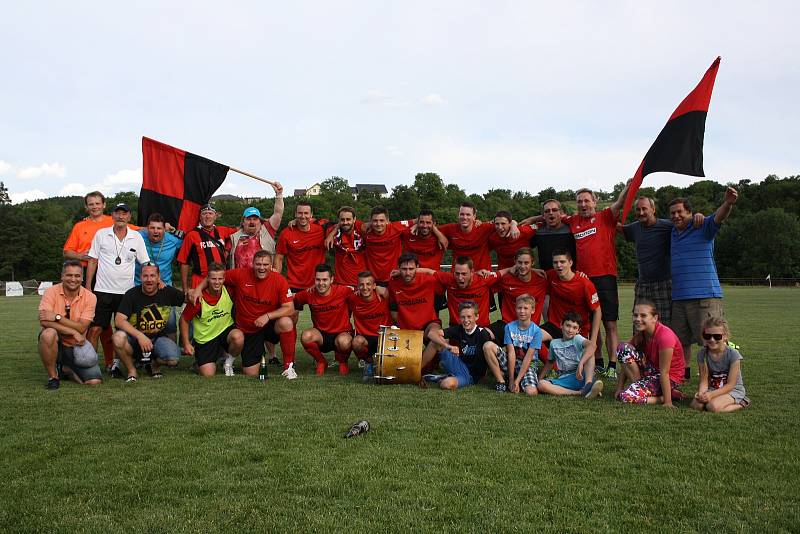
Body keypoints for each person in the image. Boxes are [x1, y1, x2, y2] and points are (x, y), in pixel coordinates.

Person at [192, 251, 297, 378]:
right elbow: (216, 276)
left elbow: (289, 308)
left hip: (267, 325)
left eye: (265, 264)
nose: (262, 268)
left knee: (286, 322)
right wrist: (198, 289)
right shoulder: (240, 274)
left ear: (271, 265)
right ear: (252, 264)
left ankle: (288, 367)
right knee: (251, 373)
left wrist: (267, 316)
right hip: (248, 330)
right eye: (258, 264)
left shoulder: (279, 280)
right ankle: (240, 359)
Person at [561, 183, 631, 378]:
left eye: (586, 200)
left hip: (605, 277)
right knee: (591, 324)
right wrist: (516, 223)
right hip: (585, 280)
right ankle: (598, 360)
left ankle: (612, 365)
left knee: (609, 323)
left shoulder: (605, 217)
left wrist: (628, 187)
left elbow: (620, 202)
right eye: (579, 201)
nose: (583, 204)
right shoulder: (572, 221)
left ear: (594, 202)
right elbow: (548, 217)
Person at [670, 188, 738, 379]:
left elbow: (718, 217)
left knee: (712, 340)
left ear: (689, 213)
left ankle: (718, 378)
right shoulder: (672, 232)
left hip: (705, 297)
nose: (676, 216)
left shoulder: (702, 226)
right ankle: (682, 376)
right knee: (680, 341)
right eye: (673, 213)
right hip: (679, 298)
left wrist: (728, 203)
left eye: (680, 212)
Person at [85, 203, 150, 377]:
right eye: (118, 213)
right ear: (112, 215)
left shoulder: (136, 237)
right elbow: (92, 261)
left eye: (124, 214)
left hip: (126, 293)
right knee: (95, 330)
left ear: (129, 217)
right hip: (102, 290)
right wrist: (88, 286)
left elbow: (144, 262)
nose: (121, 216)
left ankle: (115, 364)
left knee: (121, 331)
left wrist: (153, 280)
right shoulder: (101, 234)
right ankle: (90, 365)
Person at [112, 263, 185, 381]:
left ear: (158, 277)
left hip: (156, 340)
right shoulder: (131, 294)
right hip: (133, 340)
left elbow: (188, 298)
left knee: (173, 359)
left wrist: (199, 289)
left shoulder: (167, 292)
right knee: (118, 337)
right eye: (145, 276)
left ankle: (152, 365)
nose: (149, 279)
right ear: (140, 277)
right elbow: (119, 320)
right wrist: (140, 336)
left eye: (152, 276)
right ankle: (131, 370)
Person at [38, 260, 102, 389]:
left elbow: (82, 327)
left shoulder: (90, 297)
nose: (73, 279)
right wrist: (73, 331)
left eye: (77, 276)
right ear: (62, 276)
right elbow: (44, 321)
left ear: (82, 278)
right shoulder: (50, 292)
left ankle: (66, 368)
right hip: (57, 342)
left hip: (76, 345)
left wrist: (56, 317)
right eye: (69, 275)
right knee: (48, 334)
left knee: (94, 382)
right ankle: (53, 377)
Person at [179, 263, 244, 377]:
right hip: (206, 338)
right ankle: (199, 363)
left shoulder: (228, 290)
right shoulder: (198, 299)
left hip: (225, 331)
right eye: (213, 279)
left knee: (238, 337)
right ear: (207, 279)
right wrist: (186, 343)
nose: (217, 282)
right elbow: (183, 319)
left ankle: (228, 362)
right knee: (208, 374)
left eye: (220, 279)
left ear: (224, 279)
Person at [615, 301, 685, 407]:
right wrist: (619, 388)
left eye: (643, 315)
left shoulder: (665, 336)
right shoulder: (642, 334)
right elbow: (625, 360)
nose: (638, 319)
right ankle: (639, 385)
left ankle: (665, 397)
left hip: (670, 377)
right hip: (653, 371)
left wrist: (667, 402)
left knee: (626, 397)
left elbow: (664, 372)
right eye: (635, 315)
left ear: (655, 318)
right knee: (622, 348)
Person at [293, 264, 354, 376]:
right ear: (314, 280)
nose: (321, 283)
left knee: (344, 342)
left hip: (342, 333)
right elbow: (292, 299)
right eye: (318, 280)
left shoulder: (343, 291)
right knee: (306, 336)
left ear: (331, 279)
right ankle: (321, 361)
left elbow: (363, 292)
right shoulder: (308, 294)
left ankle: (343, 362)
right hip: (321, 335)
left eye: (325, 280)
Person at [622, 197, 675, 325]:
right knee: (639, 324)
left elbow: (685, 223)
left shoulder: (667, 226)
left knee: (664, 324)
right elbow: (618, 227)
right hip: (643, 285)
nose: (641, 213)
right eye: (638, 209)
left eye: (644, 209)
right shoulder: (634, 228)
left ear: (653, 209)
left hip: (663, 284)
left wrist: (698, 216)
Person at [540, 249, 601, 351]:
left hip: (576, 330)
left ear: (570, 263)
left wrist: (593, 341)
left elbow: (597, 311)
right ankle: (549, 364)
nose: (559, 265)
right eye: (555, 262)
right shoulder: (551, 276)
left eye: (562, 262)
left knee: (585, 364)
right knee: (532, 337)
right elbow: (530, 272)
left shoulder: (585, 284)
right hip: (555, 326)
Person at [484, 294, 546, 395]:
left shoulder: (536, 331)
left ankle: (519, 380)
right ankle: (502, 381)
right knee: (488, 345)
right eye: (519, 308)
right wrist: (512, 380)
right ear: (515, 309)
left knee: (531, 392)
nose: (522, 311)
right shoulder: (509, 327)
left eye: (526, 308)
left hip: (528, 365)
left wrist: (517, 381)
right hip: (512, 362)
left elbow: (528, 358)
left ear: (533, 310)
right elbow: (511, 352)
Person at [424, 301, 492, 390]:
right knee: (436, 341)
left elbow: (489, 354)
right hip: (460, 364)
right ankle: (418, 372)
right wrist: (448, 346)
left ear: (476, 317)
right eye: (463, 317)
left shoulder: (482, 333)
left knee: (446, 384)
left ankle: (444, 378)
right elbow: (431, 333)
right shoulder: (459, 329)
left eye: (469, 317)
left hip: (470, 375)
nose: (466, 320)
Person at [488, 247, 548, 346]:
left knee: (550, 347)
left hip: (530, 329)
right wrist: (507, 269)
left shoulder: (542, 279)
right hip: (507, 325)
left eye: (526, 263)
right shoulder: (506, 279)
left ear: (532, 263)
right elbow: (483, 283)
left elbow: (563, 278)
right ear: (515, 262)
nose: (522, 266)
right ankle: (501, 360)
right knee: (483, 336)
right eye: (520, 262)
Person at [537, 312, 603, 398]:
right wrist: (539, 379)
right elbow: (549, 362)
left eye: (574, 328)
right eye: (568, 325)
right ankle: (580, 392)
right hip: (565, 379)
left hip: (582, 375)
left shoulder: (577, 339)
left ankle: (588, 385)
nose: (570, 330)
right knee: (541, 385)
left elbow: (592, 345)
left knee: (590, 354)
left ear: (578, 331)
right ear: (561, 325)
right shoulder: (554, 343)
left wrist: (581, 363)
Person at [690, 317, 749, 413]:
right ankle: (713, 399)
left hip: (732, 390)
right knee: (696, 405)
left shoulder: (733, 354)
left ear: (725, 336)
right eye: (707, 336)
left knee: (712, 407)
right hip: (713, 388)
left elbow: (731, 385)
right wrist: (701, 393)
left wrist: (711, 395)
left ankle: (742, 402)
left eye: (717, 336)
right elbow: (704, 380)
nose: (712, 340)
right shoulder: (702, 354)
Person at [178, 204, 237, 290]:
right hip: (199, 280)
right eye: (204, 213)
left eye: (210, 213)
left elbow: (242, 231)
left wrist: (228, 249)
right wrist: (185, 288)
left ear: (215, 216)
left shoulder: (223, 230)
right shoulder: (192, 235)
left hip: (219, 280)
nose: (207, 216)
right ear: (200, 217)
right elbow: (184, 262)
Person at [387, 252, 443, 341]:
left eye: (411, 269)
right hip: (406, 328)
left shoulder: (429, 280)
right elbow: (393, 311)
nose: (408, 273)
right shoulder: (393, 284)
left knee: (437, 336)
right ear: (398, 268)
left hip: (428, 325)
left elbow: (447, 280)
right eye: (404, 269)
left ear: (417, 267)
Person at [274, 201, 328, 292]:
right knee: (290, 307)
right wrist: (276, 280)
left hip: (317, 283)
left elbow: (340, 224)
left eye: (306, 213)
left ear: (311, 215)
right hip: (293, 284)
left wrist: (330, 235)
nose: (303, 216)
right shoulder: (286, 233)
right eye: (300, 213)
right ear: (295, 214)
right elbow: (279, 258)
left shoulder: (322, 230)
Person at [228, 182, 284, 269]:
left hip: (264, 279)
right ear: (243, 222)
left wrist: (279, 194)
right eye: (248, 219)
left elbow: (278, 213)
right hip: (241, 281)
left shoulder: (268, 230)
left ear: (260, 221)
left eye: (255, 219)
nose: (252, 222)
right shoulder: (234, 237)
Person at [348, 271, 392, 381]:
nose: (365, 287)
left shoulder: (384, 296)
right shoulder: (353, 299)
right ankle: (369, 363)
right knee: (356, 342)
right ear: (357, 286)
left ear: (374, 285)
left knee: (388, 370)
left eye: (368, 284)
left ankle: (381, 363)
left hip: (384, 336)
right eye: (361, 284)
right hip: (366, 338)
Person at [437, 202, 499, 271]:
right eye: (462, 214)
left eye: (468, 215)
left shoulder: (484, 227)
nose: (464, 217)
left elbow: (505, 223)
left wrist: (513, 223)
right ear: (458, 215)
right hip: (459, 277)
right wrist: (440, 236)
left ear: (474, 216)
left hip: (482, 276)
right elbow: (429, 228)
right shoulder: (451, 228)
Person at [362, 206, 415, 285]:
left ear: (387, 221)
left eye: (381, 220)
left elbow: (419, 220)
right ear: (370, 221)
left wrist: (415, 226)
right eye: (375, 221)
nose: (378, 224)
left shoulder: (396, 228)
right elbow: (354, 224)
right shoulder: (365, 231)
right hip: (373, 280)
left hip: (395, 277)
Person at [523, 199, 576, 271]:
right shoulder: (538, 232)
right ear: (543, 216)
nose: (551, 213)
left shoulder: (571, 230)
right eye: (547, 211)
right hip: (546, 277)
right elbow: (524, 249)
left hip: (568, 277)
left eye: (554, 210)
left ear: (561, 213)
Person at [326, 206, 367, 287]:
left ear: (354, 219)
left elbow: (374, 225)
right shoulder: (332, 232)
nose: (345, 222)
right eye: (342, 219)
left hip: (361, 282)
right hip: (341, 282)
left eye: (348, 219)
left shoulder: (360, 227)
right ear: (338, 221)